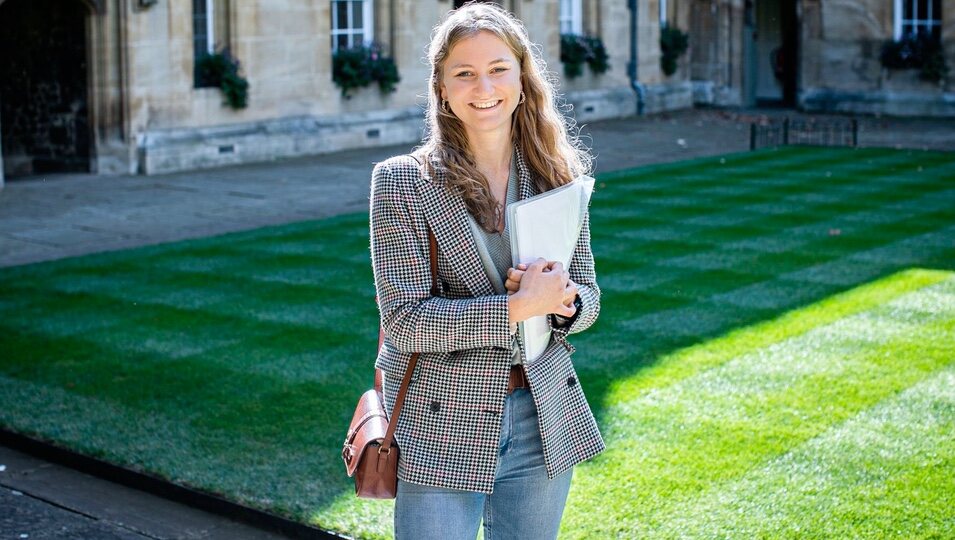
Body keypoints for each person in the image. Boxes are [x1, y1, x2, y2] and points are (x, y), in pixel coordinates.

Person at [369, 2, 603, 538]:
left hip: (541, 414)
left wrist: (562, 301)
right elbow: (404, 321)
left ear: (522, 80)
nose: (484, 86)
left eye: (499, 69)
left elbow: (589, 296)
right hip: (440, 418)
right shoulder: (402, 181)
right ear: (442, 89)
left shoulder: (555, 174)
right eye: (464, 73)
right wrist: (519, 307)